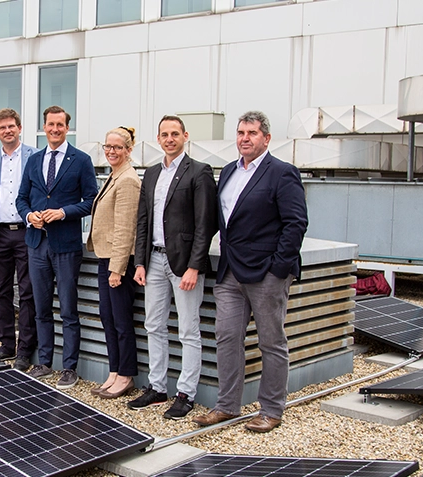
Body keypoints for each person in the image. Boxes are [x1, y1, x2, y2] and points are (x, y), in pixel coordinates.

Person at [192, 110, 308, 433]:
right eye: (241, 132)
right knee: (227, 338)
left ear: (266, 138)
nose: (245, 138)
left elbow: (296, 223)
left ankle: (271, 409)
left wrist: (278, 268)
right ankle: (227, 406)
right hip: (230, 272)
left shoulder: (282, 173)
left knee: (271, 342)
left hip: (266, 273)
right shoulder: (228, 171)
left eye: (252, 133)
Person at [126, 115, 217, 420]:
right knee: (154, 325)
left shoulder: (200, 172)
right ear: (158, 138)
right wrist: (139, 261)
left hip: (183, 264)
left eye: (174, 133)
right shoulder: (151, 173)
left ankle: (186, 393)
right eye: (164, 134)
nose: (169, 138)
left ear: (185, 136)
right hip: (153, 260)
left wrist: (194, 266)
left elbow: (206, 223)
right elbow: (143, 221)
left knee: (188, 329)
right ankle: (157, 387)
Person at [15, 105, 98, 389]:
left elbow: (90, 200)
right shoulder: (34, 160)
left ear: (67, 128)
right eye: (50, 125)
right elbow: (21, 199)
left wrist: (63, 212)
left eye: (60, 125)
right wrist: (29, 216)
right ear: (44, 127)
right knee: (41, 307)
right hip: (36, 244)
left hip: (66, 245)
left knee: (68, 309)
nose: (54, 129)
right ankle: (44, 362)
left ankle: (70, 367)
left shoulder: (81, 160)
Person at [0, 109, 40, 371]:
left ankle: (25, 350)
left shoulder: (34, 156)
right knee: (0, 292)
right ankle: (6, 345)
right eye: (2, 128)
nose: (7, 131)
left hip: (27, 232)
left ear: (20, 128)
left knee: (27, 292)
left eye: (11, 126)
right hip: (0, 234)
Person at [86, 126, 141, 399]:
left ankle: (126, 375)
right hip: (104, 257)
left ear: (129, 150)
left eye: (117, 147)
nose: (111, 151)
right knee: (108, 318)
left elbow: (125, 228)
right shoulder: (114, 175)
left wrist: (117, 269)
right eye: (108, 147)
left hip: (118, 262)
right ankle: (114, 369)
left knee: (121, 321)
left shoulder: (129, 179)